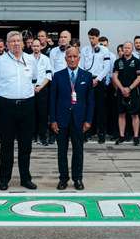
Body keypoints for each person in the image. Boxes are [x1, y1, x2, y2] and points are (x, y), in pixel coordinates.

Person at [0, 31, 39, 191]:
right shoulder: (0, 61)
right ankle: (4, 179)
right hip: (6, 107)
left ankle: (25, 178)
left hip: (27, 106)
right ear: (7, 44)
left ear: (23, 43)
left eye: (19, 41)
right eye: (12, 41)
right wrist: (6, 97)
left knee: (25, 145)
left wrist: (24, 94)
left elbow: (34, 80)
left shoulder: (31, 60)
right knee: (7, 145)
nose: (16, 43)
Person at [49, 46, 94, 190]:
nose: (72, 59)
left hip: (79, 120)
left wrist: (88, 120)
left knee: (78, 150)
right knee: (61, 151)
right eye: (70, 57)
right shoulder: (58, 75)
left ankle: (78, 178)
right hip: (61, 119)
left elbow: (90, 101)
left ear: (79, 58)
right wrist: (53, 120)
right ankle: (63, 179)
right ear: (65, 58)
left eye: (75, 56)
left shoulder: (87, 76)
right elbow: (52, 100)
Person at [79, 28, 111, 143]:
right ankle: (86, 133)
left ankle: (101, 134)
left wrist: (98, 79)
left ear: (98, 37)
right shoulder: (85, 50)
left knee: (100, 108)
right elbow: (81, 66)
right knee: (86, 107)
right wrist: (85, 80)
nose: (91, 40)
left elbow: (107, 67)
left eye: (93, 38)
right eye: (90, 38)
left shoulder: (104, 50)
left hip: (99, 81)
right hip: (87, 80)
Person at [112, 42, 140, 146]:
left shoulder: (137, 61)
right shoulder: (118, 62)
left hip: (133, 91)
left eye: (129, 48)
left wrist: (129, 88)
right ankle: (121, 136)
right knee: (121, 114)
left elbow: (139, 77)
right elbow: (115, 76)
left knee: (135, 114)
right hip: (121, 91)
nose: (126, 49)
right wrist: (122, 88)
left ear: (132, 49)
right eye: (125, 48)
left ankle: (136, 136)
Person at [31, 39, 53, 145]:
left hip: (43, 89)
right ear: (31, 47)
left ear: (41, 47)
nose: (35, 47)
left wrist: (40, 87)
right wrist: (32, 87)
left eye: (37, 46)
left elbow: (48, 75)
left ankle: (43, 137)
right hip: (30, 90)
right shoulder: (27, 58)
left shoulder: (46, 59)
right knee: (31, 114)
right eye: (34, 46)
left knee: (43, 115)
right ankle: (32, 136)